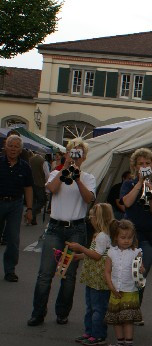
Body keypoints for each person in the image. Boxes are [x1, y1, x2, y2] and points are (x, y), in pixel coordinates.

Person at [28, 138, 95, 326]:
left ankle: (62, 313)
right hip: (55, 228)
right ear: (66, 153)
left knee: (69, 275)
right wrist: (65, 167)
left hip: (76, 228)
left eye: (79, 153)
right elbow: (51, 189)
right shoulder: (56, 174)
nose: (75, 156)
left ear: (84, 157)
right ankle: (38, 313)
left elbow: (89, 198)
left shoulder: (88, 177)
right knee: (45, 274)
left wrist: (78, 176)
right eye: (72, 152)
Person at [119, 148, 152, 316]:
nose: (144, 166)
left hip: (149, 237)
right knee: (124, 273)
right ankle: (122, 307)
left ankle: (133, 310)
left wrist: (150, 192)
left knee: (139, 275)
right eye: (141, 164)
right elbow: (126, 203)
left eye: (147, 163)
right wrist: (139, 183)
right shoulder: (128, 184)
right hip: (129, 235)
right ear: (135, 166)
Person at [68, 203, 114, 346]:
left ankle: (98, 335)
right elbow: (94, 253)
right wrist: (81, 256)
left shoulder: (101, 236)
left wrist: (80, 248)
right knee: (91, 306)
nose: (89, 219)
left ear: (98, 218)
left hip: (98, 278)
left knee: (97, 307)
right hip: (94, 277)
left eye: (91, 216)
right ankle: (90, 332)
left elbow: (97, 255)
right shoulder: (100, 235)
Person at [103, 219, 144, 346]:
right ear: (116, 237)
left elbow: (140, 270)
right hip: (115, 291)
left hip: (130, 291)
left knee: (127, 319)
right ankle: (120, 344)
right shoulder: (111, 252)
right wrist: (111, 286)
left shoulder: (136, 252)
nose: (126, 240)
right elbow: (107, 271)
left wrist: (141, 269)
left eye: (129, 237)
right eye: (123, 237)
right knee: (116, 319)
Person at [0, 135, 33, 282]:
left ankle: (10, 270)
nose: (13, 149)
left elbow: (28, 188)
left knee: (13, 239)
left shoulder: (25, 167)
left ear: (20, 150)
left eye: (16, 147)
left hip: (16, 204)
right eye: (11, 146)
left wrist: (30, 209)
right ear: (5, 147)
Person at [29, 151, 47, 225]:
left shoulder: (30, 160)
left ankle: (33, 219)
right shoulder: (43, 161)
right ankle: (31, 212)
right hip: (40, 184)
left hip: (31, 183)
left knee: (33, 202)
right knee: (42, 201)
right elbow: (47, 174)